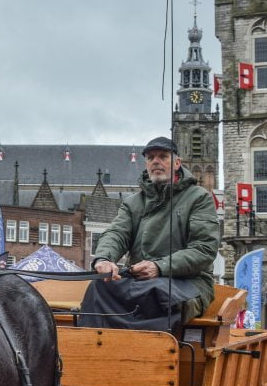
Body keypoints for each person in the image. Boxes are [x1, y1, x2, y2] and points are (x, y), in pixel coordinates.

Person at [84, 136, 220, 330]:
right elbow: (116, 233)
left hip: (189, 283)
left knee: (157, 294)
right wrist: (103, 259)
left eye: (163, 156)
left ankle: (149, 354)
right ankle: (93, 348)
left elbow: (204, 249)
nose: (156, 161)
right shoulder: (133, 203)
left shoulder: (199, 198)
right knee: (99, 286)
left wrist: (160, 266)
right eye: (151, 157)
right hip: (140, 282)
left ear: (177, 163)